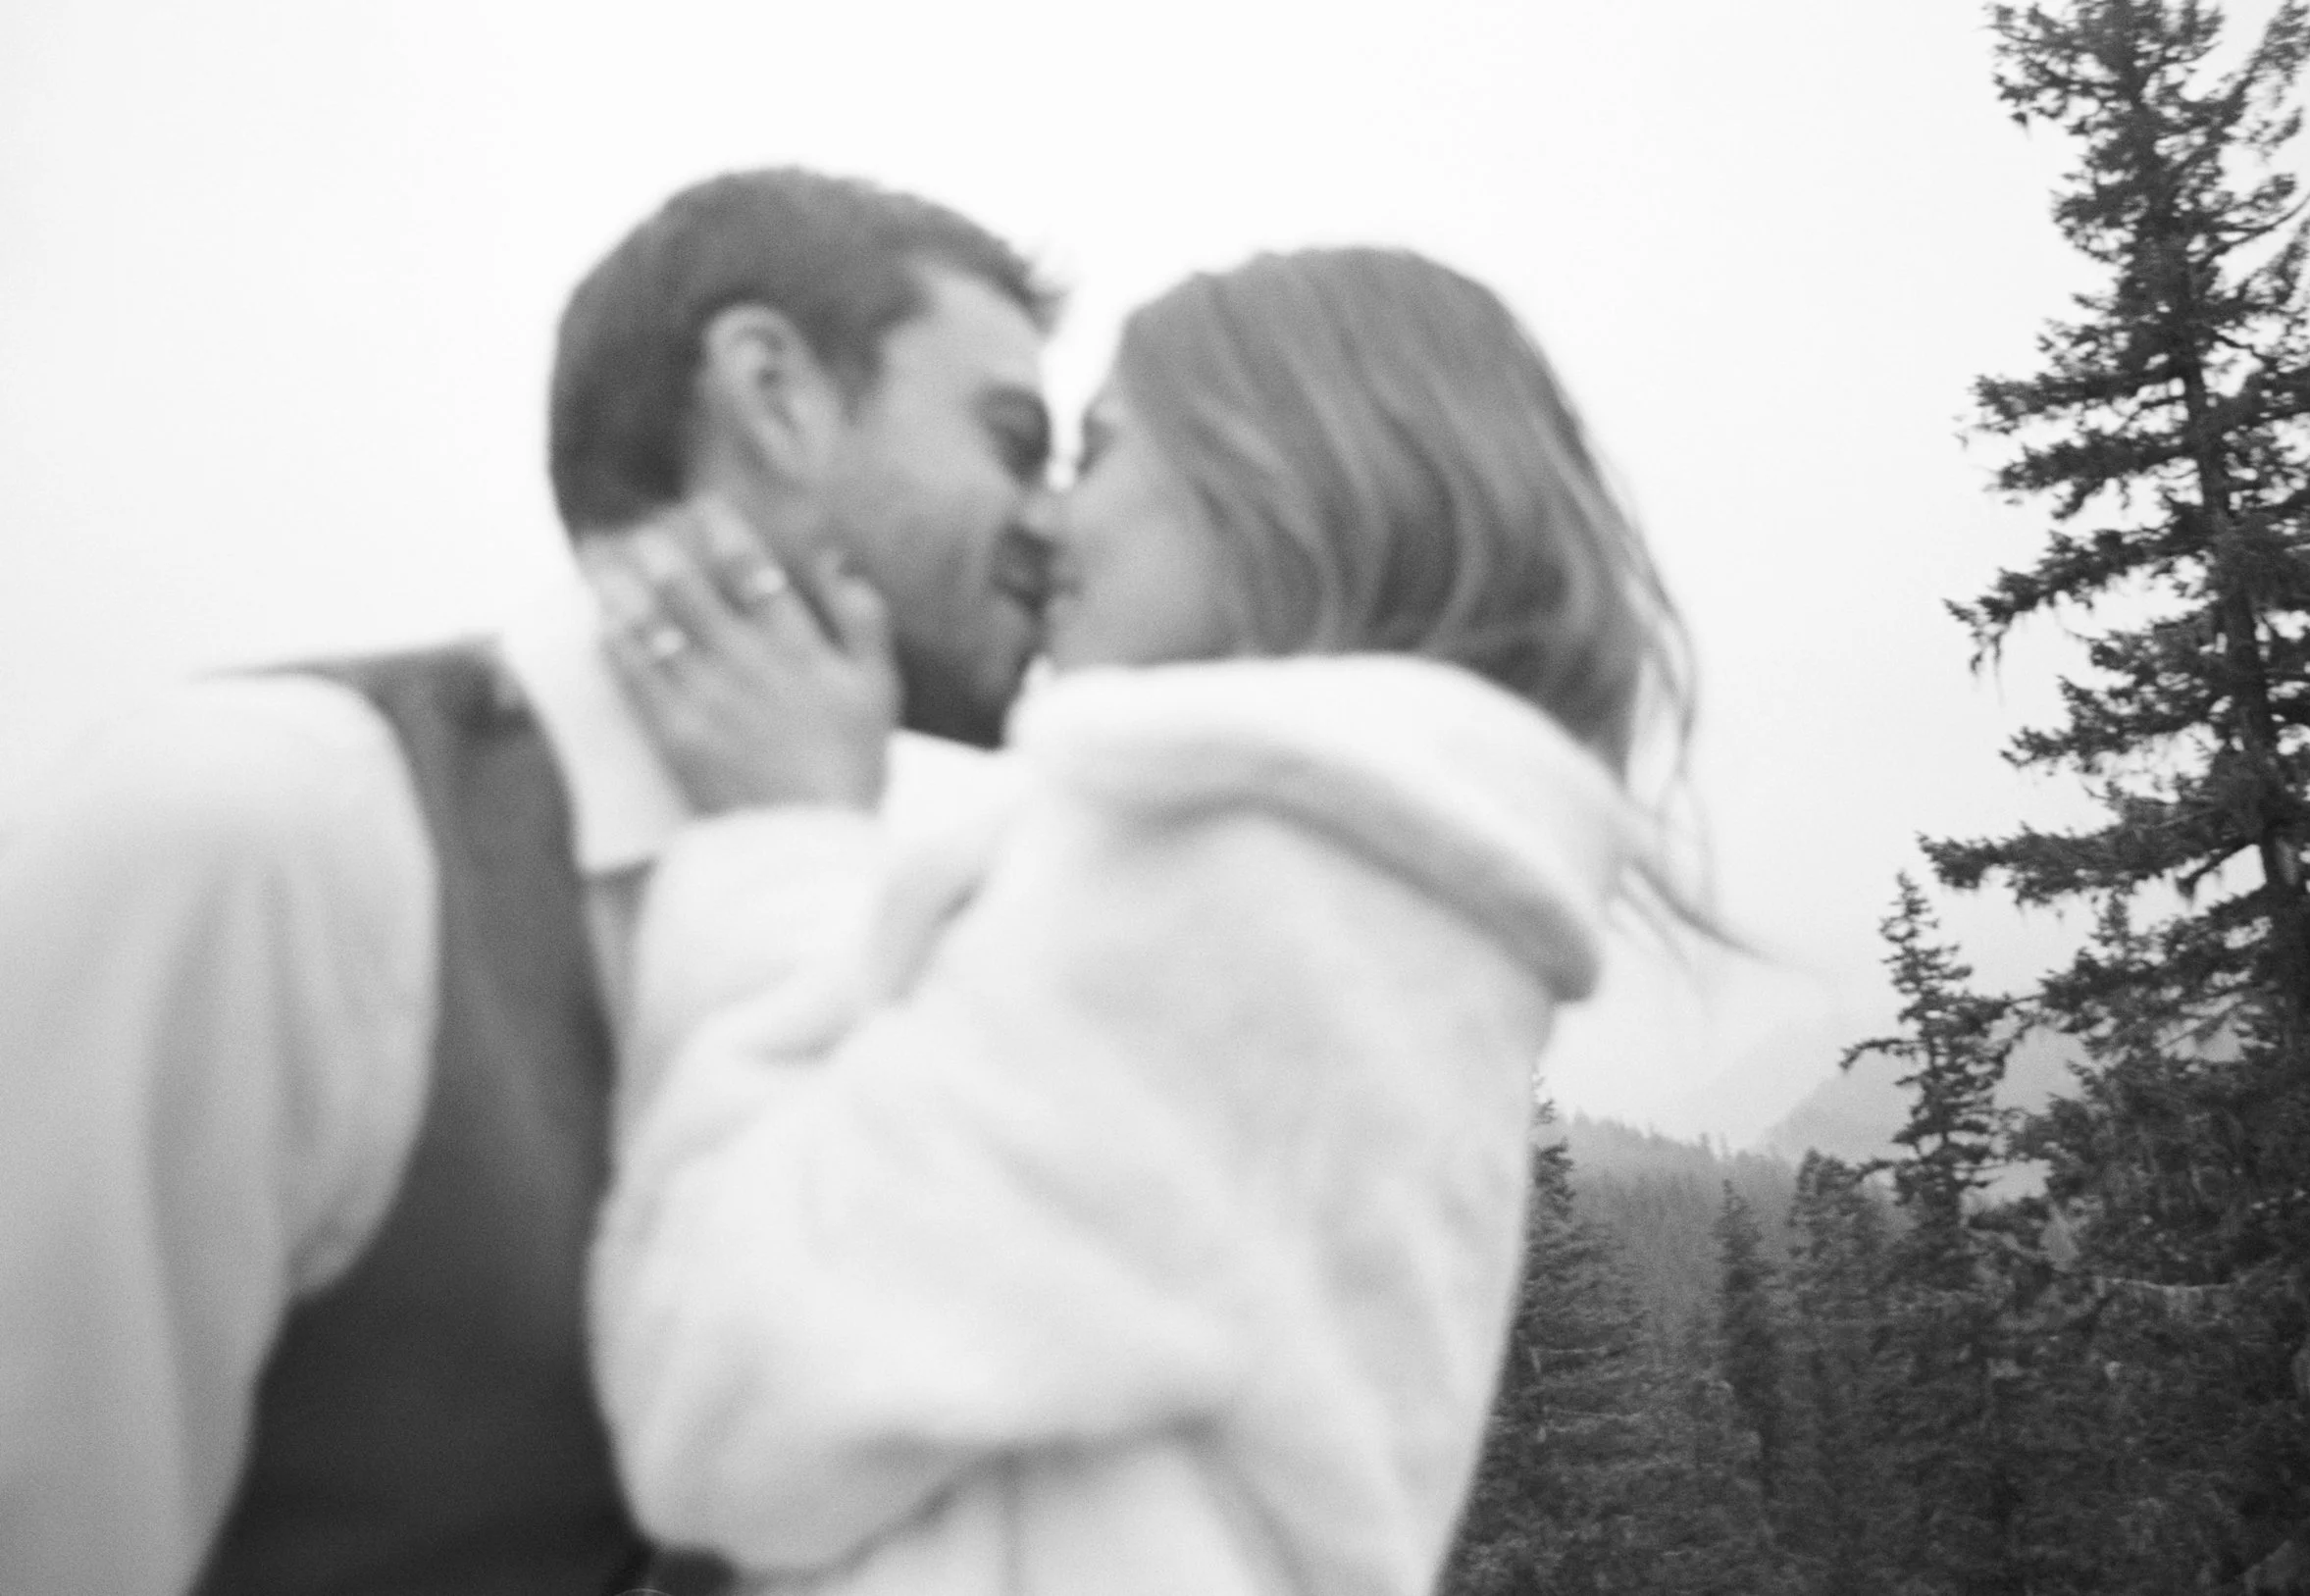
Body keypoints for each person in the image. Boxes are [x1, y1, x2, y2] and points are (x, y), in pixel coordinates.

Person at [0, 168, 1058, 1596]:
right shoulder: (257, 828)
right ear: (776, 392)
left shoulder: (892, 936)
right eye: (1012, 442)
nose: (1049, 527)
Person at [586, 247, 1704, 1595]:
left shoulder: (1241, 880)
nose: (1042, 524)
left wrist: (777, 837)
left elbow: (731, 1395)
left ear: (1283, 474)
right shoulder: (1378, 881)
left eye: (1096, 451)